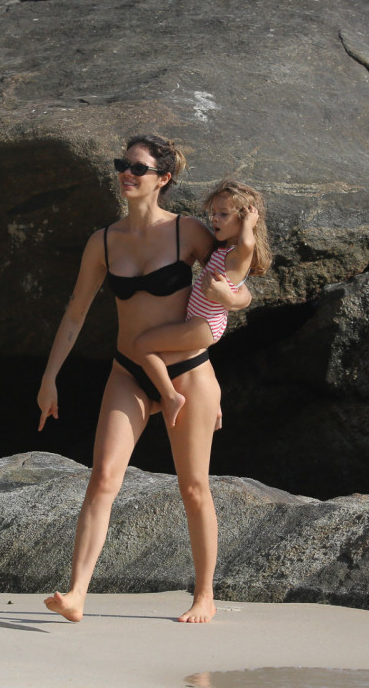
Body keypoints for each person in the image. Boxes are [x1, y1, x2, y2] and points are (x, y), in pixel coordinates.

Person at [36, 134, 251, 624]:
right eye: (122, 165)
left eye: (138, 167)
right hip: (128, 371)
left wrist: (236, 301)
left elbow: (237, 282)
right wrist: (49, 378)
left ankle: (204, 596)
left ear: (164, 178)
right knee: (103, 477)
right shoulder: (104, 241)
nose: (126, 174)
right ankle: (76, 593)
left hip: (189, 369)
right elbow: (75, 316)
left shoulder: (189, 232)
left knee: (193, 487)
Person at [136, 180, 271, 428]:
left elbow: (248, 244)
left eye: (223, 214)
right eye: (213, 213)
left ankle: (170, 398)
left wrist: (250, 224)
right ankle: (213, 406)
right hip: (199, 322)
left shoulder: (238, 256)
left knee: (143, 346)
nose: (215, 220)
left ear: (242, 219)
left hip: (204, 324)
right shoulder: (224, 251)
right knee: (187, 363)